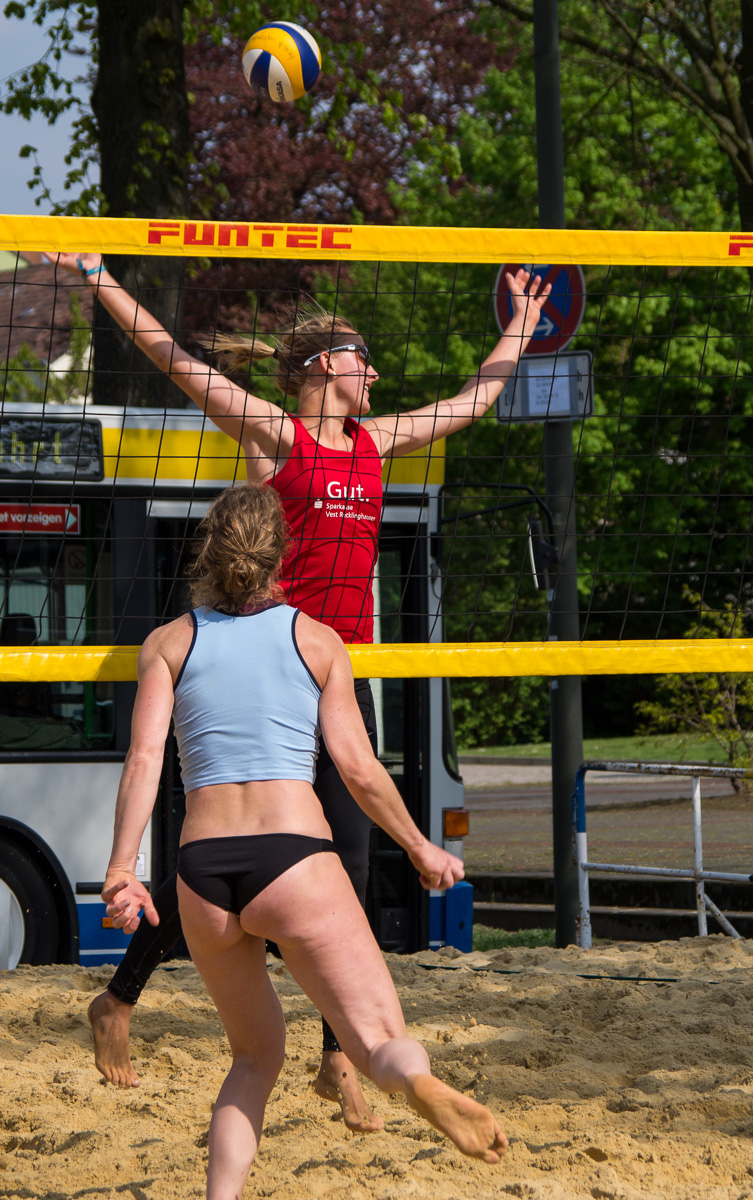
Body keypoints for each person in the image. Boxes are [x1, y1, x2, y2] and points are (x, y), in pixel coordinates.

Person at [46, 249, 550, 1121]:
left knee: (338, 866)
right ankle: (121, 999)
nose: (376, 374)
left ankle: (334, 1059)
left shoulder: (376, 440)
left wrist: (517, 327)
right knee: (225, 872)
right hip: (266, 667)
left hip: (332, 675)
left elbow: (474, 401)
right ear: (325, 368)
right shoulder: (280, 434)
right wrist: (99, 278)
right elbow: (176, 359)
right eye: (364, 360)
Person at [101, 482, 508, 1196]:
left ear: (208, 551)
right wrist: (418, 846)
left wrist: (121, 869)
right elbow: (357, 769)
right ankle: (417, 1085)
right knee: (378, 1038)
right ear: (281, 556)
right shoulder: (317, 640)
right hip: (294, 860)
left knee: (253, 1059)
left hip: (201, 871)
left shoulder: (167, 642)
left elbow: (144, 761)